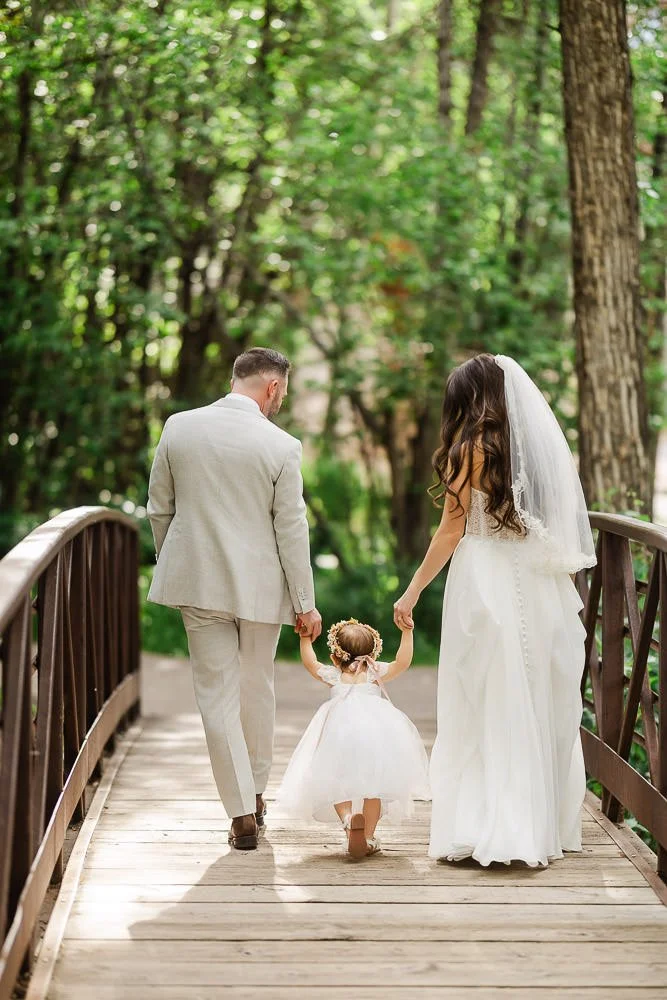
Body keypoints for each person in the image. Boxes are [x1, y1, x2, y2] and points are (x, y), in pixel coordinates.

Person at [393, 354, 596, 867]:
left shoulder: (469, 450)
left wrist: (411, 593)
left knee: (482, 696)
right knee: (534, 695)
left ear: (468, 398)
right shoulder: (528, 452)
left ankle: (490, 825)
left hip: (485, 578)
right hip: (536, 579)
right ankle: (537, 825)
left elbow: (450, 530)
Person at [147, 347, 322, 851]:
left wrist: (178, 560)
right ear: (272, 387)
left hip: (198, 582)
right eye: (282, 393)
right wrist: (304, 601)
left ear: (235, 379)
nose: (280, 402)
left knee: (216, 698)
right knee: (257, 687)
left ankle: (241, 812)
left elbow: (160, 508)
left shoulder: (179, 427)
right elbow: (291, 528)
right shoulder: (282, 445)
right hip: (261, 589)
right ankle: (257, 791)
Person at [277, 618, 429, 858]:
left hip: (340, 736)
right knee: (374, 788)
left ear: (335, 657)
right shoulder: (373, 672)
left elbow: (310, 663)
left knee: (336, 782)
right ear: (373, 653)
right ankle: (367, 837)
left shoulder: (334, 674)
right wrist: (407, 632)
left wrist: (305, 638)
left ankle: (348, 820)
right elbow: (402, 662)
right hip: (374, 736)